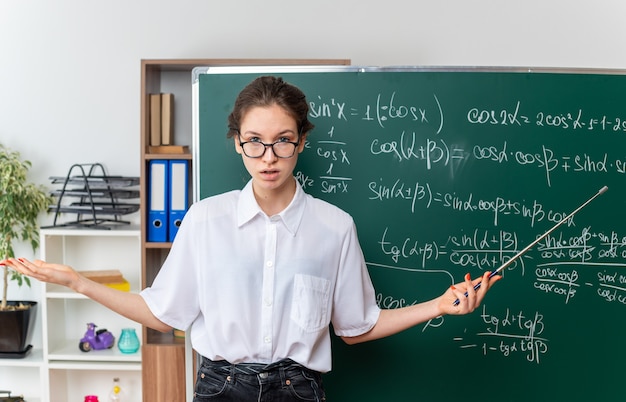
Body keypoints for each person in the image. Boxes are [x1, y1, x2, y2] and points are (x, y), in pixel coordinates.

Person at [2, 76, 501, 402]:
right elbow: (163, 313)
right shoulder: (204, 219)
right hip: (220, 388)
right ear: (237, 142)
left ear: (302, 140)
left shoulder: (335, 227)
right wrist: (77, 280)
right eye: (254, 142)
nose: (269, 156)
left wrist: (437, 305)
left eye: (283, 140)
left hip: (299, 390)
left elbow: (355, 327)